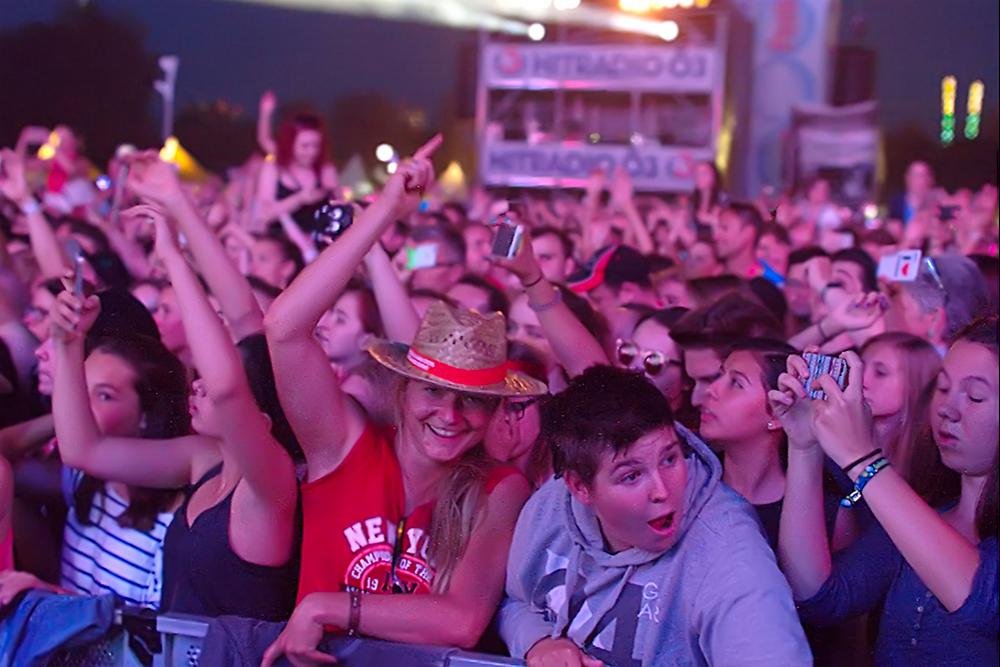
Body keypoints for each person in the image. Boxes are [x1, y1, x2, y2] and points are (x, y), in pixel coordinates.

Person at [261, 138, 546, 663]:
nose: (450, 415)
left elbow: (462, 620)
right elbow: (282, 328)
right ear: (402, 388)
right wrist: (384, 214)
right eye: (433, 390)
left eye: (472, 400)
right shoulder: (343, 446)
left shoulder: (500, 490)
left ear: (493, 411)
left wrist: (326, 607)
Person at [46, 191, 300, 620]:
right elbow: (81, 450)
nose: (197, 385)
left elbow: (226, 383)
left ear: (259, 420)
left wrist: (175, 260)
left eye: (214, 385)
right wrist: (67, 343)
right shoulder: (205, 459)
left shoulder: (272, 484)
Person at [499, 365, 812, 666]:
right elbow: (515, 603)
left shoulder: (728, 550)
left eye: (669, 459)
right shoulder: (551, 506)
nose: (662, 491)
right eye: (632, 476)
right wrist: (538, 641)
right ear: (579, 487)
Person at [773, 317, 999, 665]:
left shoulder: (912, 515)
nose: (947, 408)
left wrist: (863, 458)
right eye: (942, 388)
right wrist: (805, 446)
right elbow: (819, 596)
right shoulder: (927, 513)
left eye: (975, 396)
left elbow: (982, 601)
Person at [255, 112, 339, 233]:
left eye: (316, 145)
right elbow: (264, 214)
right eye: (305, 146)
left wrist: (333, 192)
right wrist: (299, 199)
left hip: (321, 240)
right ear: (289, 144)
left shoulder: (326, 169)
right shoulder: (274, 168)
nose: (312, 152)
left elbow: (341, 209)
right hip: (281, 240)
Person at [712, 202, 762, 278]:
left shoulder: (769, 281)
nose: (715, 236)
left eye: (724, 228)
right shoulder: (709, 275)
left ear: (748, 233)